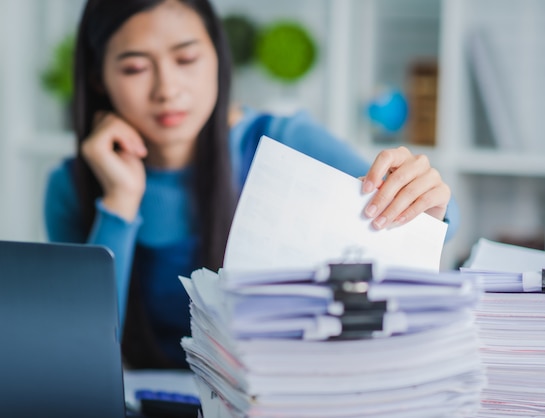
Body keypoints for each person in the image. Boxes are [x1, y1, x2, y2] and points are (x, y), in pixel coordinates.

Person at [44, 0, 459, 369]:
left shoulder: (281, 139)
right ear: (98, 77)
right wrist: (119, 201)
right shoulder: (72, 185)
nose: (167, 90)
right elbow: (79, 348)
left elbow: (438, 221)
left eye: (186, 59)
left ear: (218, 58)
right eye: (135, 68)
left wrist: (422, 199)